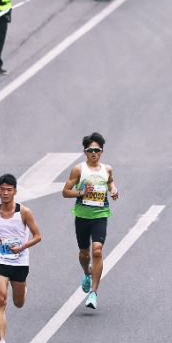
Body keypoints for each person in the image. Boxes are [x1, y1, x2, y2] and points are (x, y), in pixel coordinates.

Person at [0, 173, 41, 343]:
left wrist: (21, 246)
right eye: (2, 189)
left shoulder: (24, 212)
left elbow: (37, 236)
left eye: (9, 190)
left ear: (15, 191)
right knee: (1, 299)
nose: (5, 193)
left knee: (18, 303)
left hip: (19, 262)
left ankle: (22, 292)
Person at [61, 132, 118, 310]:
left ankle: (93, 292)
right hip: (82, 216)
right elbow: (65, 192)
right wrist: (81, 193)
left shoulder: (107, 169)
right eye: (90, 150)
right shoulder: (78, 170)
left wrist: (114, 190)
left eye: (97, 150)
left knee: (98, 252)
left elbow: (111, 182)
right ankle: (87, 272)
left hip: (100, 215)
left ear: (102, 151)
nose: (94, 153)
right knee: (85, 254)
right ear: (85, 152)